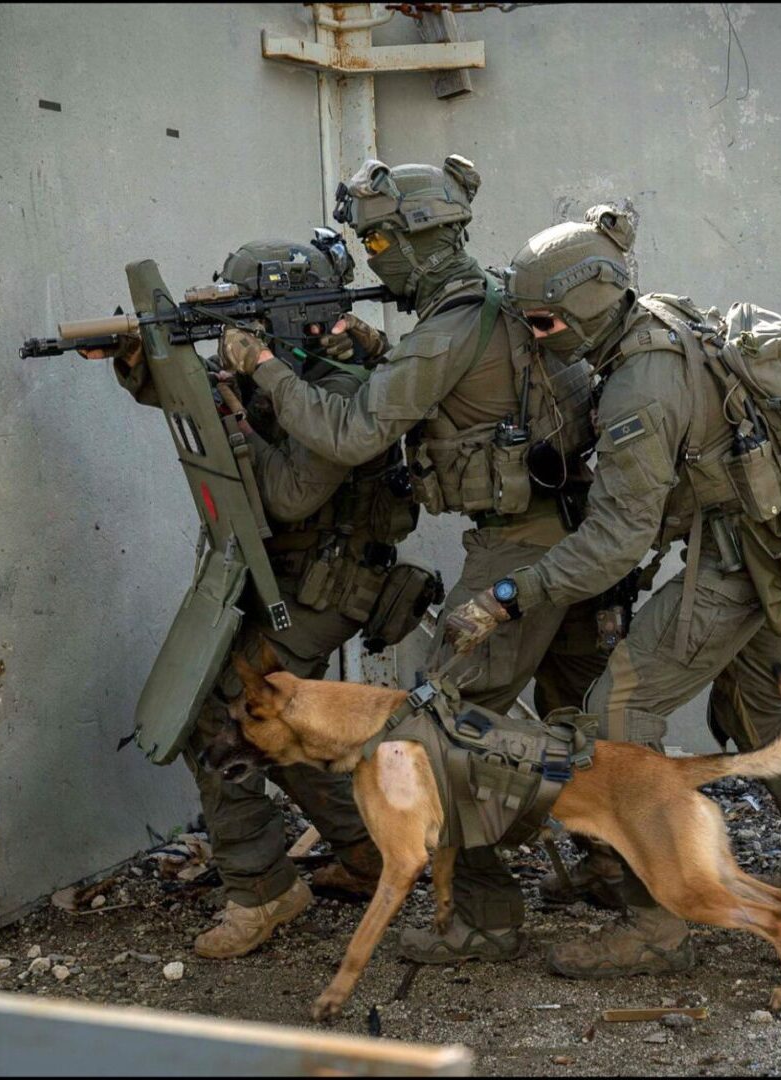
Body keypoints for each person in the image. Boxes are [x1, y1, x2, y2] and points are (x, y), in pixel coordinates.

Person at [443, 206, 781, 977]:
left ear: (584, 311)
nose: (537, 338)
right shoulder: (658, 314)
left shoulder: (638, 388)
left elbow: (616, 541)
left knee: (617, 718)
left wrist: (508, 595)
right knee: (755, 706)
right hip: (769, 541)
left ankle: (653, 928)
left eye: (543, 324)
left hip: (732, 567)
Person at [218, 157, 608, 963]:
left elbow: (353, 431)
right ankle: (623, 877)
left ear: (422, 237)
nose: (372, 256)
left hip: (521, 541)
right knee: (581, 715)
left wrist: (260, 367)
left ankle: (489, 917)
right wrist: (371, 344)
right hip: (573, 531)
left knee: (443, 727)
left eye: (381, 238)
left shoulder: (452, 321)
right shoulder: (489, 297)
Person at [85, 235, 417, 957]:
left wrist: (248, 382)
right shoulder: (290, 364)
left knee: (222, 718)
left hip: (325, 582)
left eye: (257, 317)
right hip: (273, 576)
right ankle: (365, 854)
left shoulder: (340, 385)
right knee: (279, 727)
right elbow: (206, 404)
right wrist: (145, 365)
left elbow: (292, 492)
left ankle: (264, 891)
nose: (247, 334)